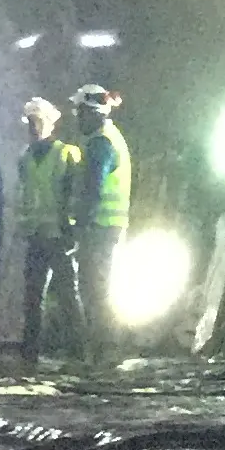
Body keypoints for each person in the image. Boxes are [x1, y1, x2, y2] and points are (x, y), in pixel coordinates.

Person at [15, 95, 83, 363]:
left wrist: (71, 230)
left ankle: (77, 350)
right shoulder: (25, 157)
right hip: (36, 235)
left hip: (59, 234)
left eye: (37, 121)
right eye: (30, 122)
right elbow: (24, 195)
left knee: (67, 294)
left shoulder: (67, 153)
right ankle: (30, 352)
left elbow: (74, 194)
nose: (33, 127)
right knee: (33, 297)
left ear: (49, 123)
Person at [68, 83, 133, 360]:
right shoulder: (110, 137)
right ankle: (105, 349)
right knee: (100, 288)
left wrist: (79, 227)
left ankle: (103, 351)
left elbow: (92, 191)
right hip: (109, 228)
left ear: (93, 112)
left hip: (99, 229)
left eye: (80, 112)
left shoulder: (100, 144)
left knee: (95, 289)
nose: (77, 118)